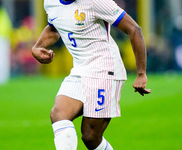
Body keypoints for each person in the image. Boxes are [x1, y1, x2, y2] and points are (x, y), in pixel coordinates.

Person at [32, 0, 151, 149]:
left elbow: (134, 29)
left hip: (105, 69)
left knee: (90, 137)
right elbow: (54, 27)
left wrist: (141, 74)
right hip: (80, 69)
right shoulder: (51, 3)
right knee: (59, 115)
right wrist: (37, 47)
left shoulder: (96, 2)